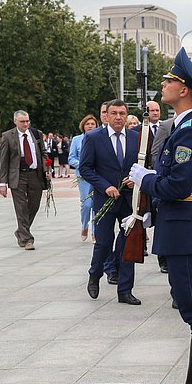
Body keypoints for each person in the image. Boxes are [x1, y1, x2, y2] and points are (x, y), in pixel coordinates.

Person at [128, 47, 192, 384]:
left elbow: (177, 186)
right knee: (189, 306)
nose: (163, 85)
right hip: (181, 226)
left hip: (188, 230)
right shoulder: (186, 127)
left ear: (184, 90)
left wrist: (147, 179)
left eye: (169, 80)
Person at [79, 99, 140, 305]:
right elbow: (85, 168)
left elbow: (143, 163)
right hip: (105, 198)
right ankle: (95, 275)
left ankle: (125, 290)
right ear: (106, 115)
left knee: (128, 244)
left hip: (128, 200)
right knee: (104, 243)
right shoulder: (94, 137)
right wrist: (105, 186)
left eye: (122, 113)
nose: (118, 117)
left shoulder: (135, 137)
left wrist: (136, 179)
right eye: (114, 113)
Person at [0, 110, 49, 250]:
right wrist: (2, 183)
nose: (25, 124)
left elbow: (44, 154)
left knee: (34, 205)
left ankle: (20, 231)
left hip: (35, 175)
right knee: (21, 207)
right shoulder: (8, 136)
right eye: (22, 121)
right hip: (18, 176)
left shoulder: (36, 134)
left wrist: (47, 170)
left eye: (27, 121)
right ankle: (27, 239)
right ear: (15, 122)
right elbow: (4, 161)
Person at [68, 114, 98, 241]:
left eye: (92, 124)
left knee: (96, 204)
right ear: (83, 126)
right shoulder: (77, 140)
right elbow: (71, 158)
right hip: (83, 176)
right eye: (88, 124)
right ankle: (85, 225)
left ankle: (95, 231)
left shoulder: (100, 138)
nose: (90, 126)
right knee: (86, 204)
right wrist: (81, 165)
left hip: (97, 175)